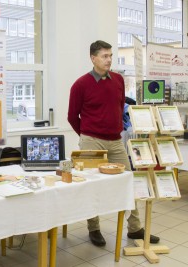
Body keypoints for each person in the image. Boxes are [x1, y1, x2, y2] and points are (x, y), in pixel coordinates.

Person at [67, 40, 159, 247]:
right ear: (93, 58)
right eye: (105, 56)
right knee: (92, 185)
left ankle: (135, 228)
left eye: (110, 55)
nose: (109, 60)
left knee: (128, 181)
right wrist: (86, 137)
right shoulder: (80, 84)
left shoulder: (118, 80)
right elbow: (73, 116)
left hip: (115, 141)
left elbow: (119, 108)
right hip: (91, 141)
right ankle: (94, 228)